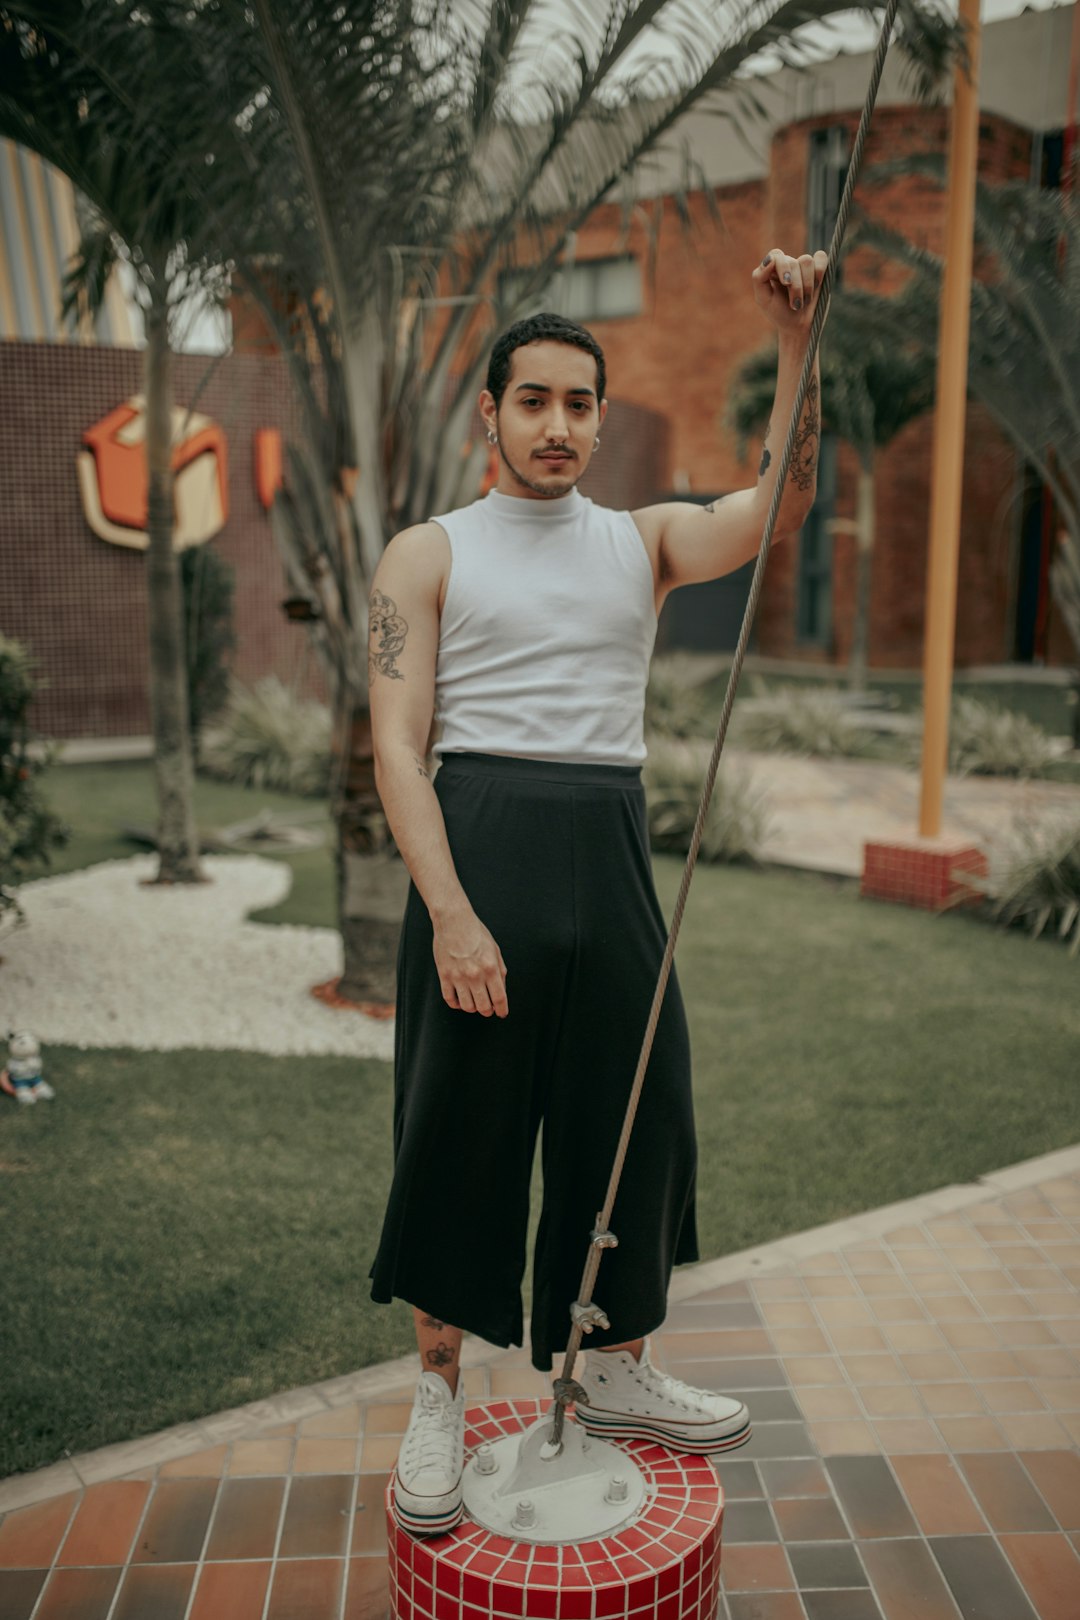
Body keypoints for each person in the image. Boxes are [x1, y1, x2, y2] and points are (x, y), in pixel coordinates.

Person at [369, 246, 827, 1534]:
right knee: (457, 1130)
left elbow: (773, 507)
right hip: (483, 846)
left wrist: (796, 346)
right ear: (493, 413)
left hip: (610, 848)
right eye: (534, 400)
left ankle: (610, 1365)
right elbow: (399, 745)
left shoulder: (644, 542)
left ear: (599, 418)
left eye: (579, 403)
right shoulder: (428, 551)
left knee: (639, 1113)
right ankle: (439, 1401)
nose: (557, 424)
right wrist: (454, 913)